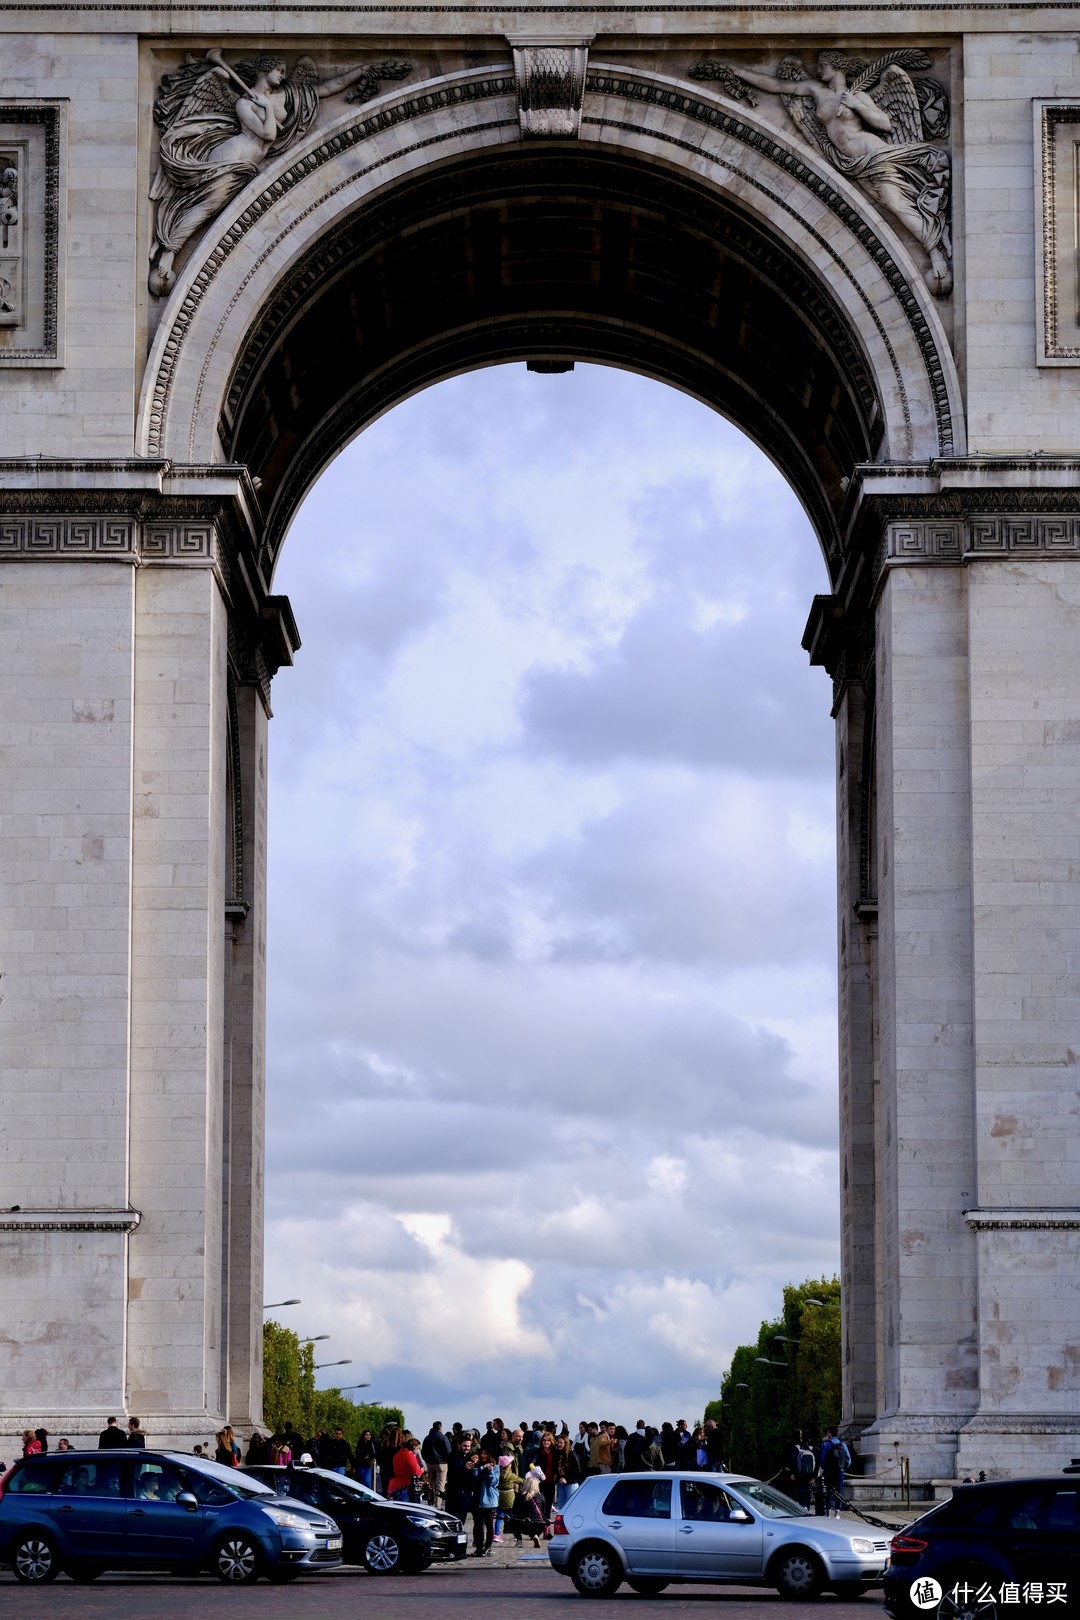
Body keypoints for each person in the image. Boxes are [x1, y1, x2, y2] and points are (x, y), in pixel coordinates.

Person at [819, 1427, 850, 1517]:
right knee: (838, 1491)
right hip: (840, 1471)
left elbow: (822, 1460)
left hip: (829, 1470)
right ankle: (837, 1511)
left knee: (828, 1490)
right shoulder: (843, 1445)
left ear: (830, 1433)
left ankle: (828, 1510)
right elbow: (848, 1459)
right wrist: (843, 1467)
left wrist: (824, 1467)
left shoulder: (825, 1444)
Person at [422, 1421, 451, 1504]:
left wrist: (427, 1460)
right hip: (441, 1463)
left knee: (431, 1484)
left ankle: (430, 1500)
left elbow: (423, 1452)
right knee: (440, 1485)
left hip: (430, 1463)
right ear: (440, 1427)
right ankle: (437, 1505)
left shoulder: (427, 1438)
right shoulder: (443, 1437)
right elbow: (448, 1451)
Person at [786, 1430, 817, 1508]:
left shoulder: (797, 1448)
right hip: (810, 1475)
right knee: (808, 1492)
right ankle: (807, 1507)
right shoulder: (813, 1449)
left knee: (801, 1491)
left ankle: (803, 1506)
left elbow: (791, 1460)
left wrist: (792, 1473)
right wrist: (814, 1477)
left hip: (800, 1474)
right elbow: (817, 1463)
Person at [389, 1433, 425, 1500]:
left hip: (397, 1485)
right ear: (414, 1447)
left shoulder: (397, 1455)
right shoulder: (410, 1456)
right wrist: (422, 1470)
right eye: (418, 1448)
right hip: (407, 1487)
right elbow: (416, 1473)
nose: (418, 1450)